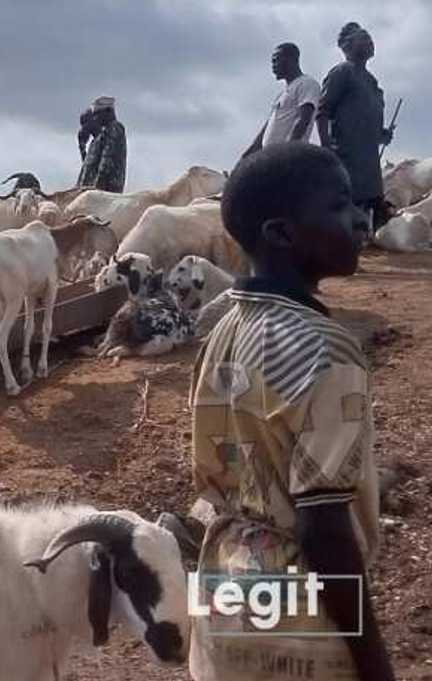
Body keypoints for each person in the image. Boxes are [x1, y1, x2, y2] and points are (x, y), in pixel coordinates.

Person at [188, 143, 393, 681]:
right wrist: (375, 665)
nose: (359, 219)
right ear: (281, 234)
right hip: (299, 615)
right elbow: (324, 528)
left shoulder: (224, 331)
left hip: (223, 593)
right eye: (340, 205)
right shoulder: (327, 350)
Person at [317, 22, 391, 229]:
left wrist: (382, 135)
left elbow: (369, 123)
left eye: (371, 39)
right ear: (347, 46)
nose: (370, 42)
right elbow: (322, 111)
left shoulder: (371, 81)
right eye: (364, 38)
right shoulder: (343, 73)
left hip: (368, 161)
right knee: (345, 208)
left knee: (369, 212)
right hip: (347, 157)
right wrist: (326, 147)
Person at [242, 43, 320, 157]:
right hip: (269, 158)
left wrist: (287, 152)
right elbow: (263, 134)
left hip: (287, 159)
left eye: (276, 60)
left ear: (290, 59)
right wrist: (244, 159)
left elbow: (303, 120)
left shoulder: (307, 83)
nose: (273, 66)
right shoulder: (281, 95)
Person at [76, 96, 126, 193]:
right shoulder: (100, 137)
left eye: (97, 115)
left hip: (106, 191)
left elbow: (106, 161)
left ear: (108, 112)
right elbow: (89, 168)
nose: (96, 119)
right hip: (94, 192)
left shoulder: (115, 128)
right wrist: (82, 147)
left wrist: (97, 189)